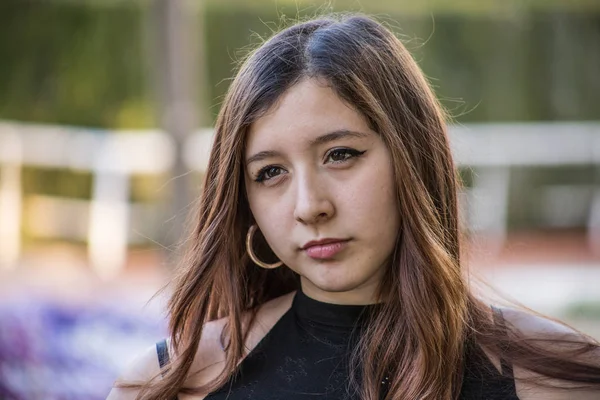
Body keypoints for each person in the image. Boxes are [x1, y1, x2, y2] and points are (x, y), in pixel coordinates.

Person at [107, 13, 600, 400]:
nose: (309, 206)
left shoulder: (560, 378)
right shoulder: (169, 384)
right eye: (270, 172)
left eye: (340, 155)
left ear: (414, 157)